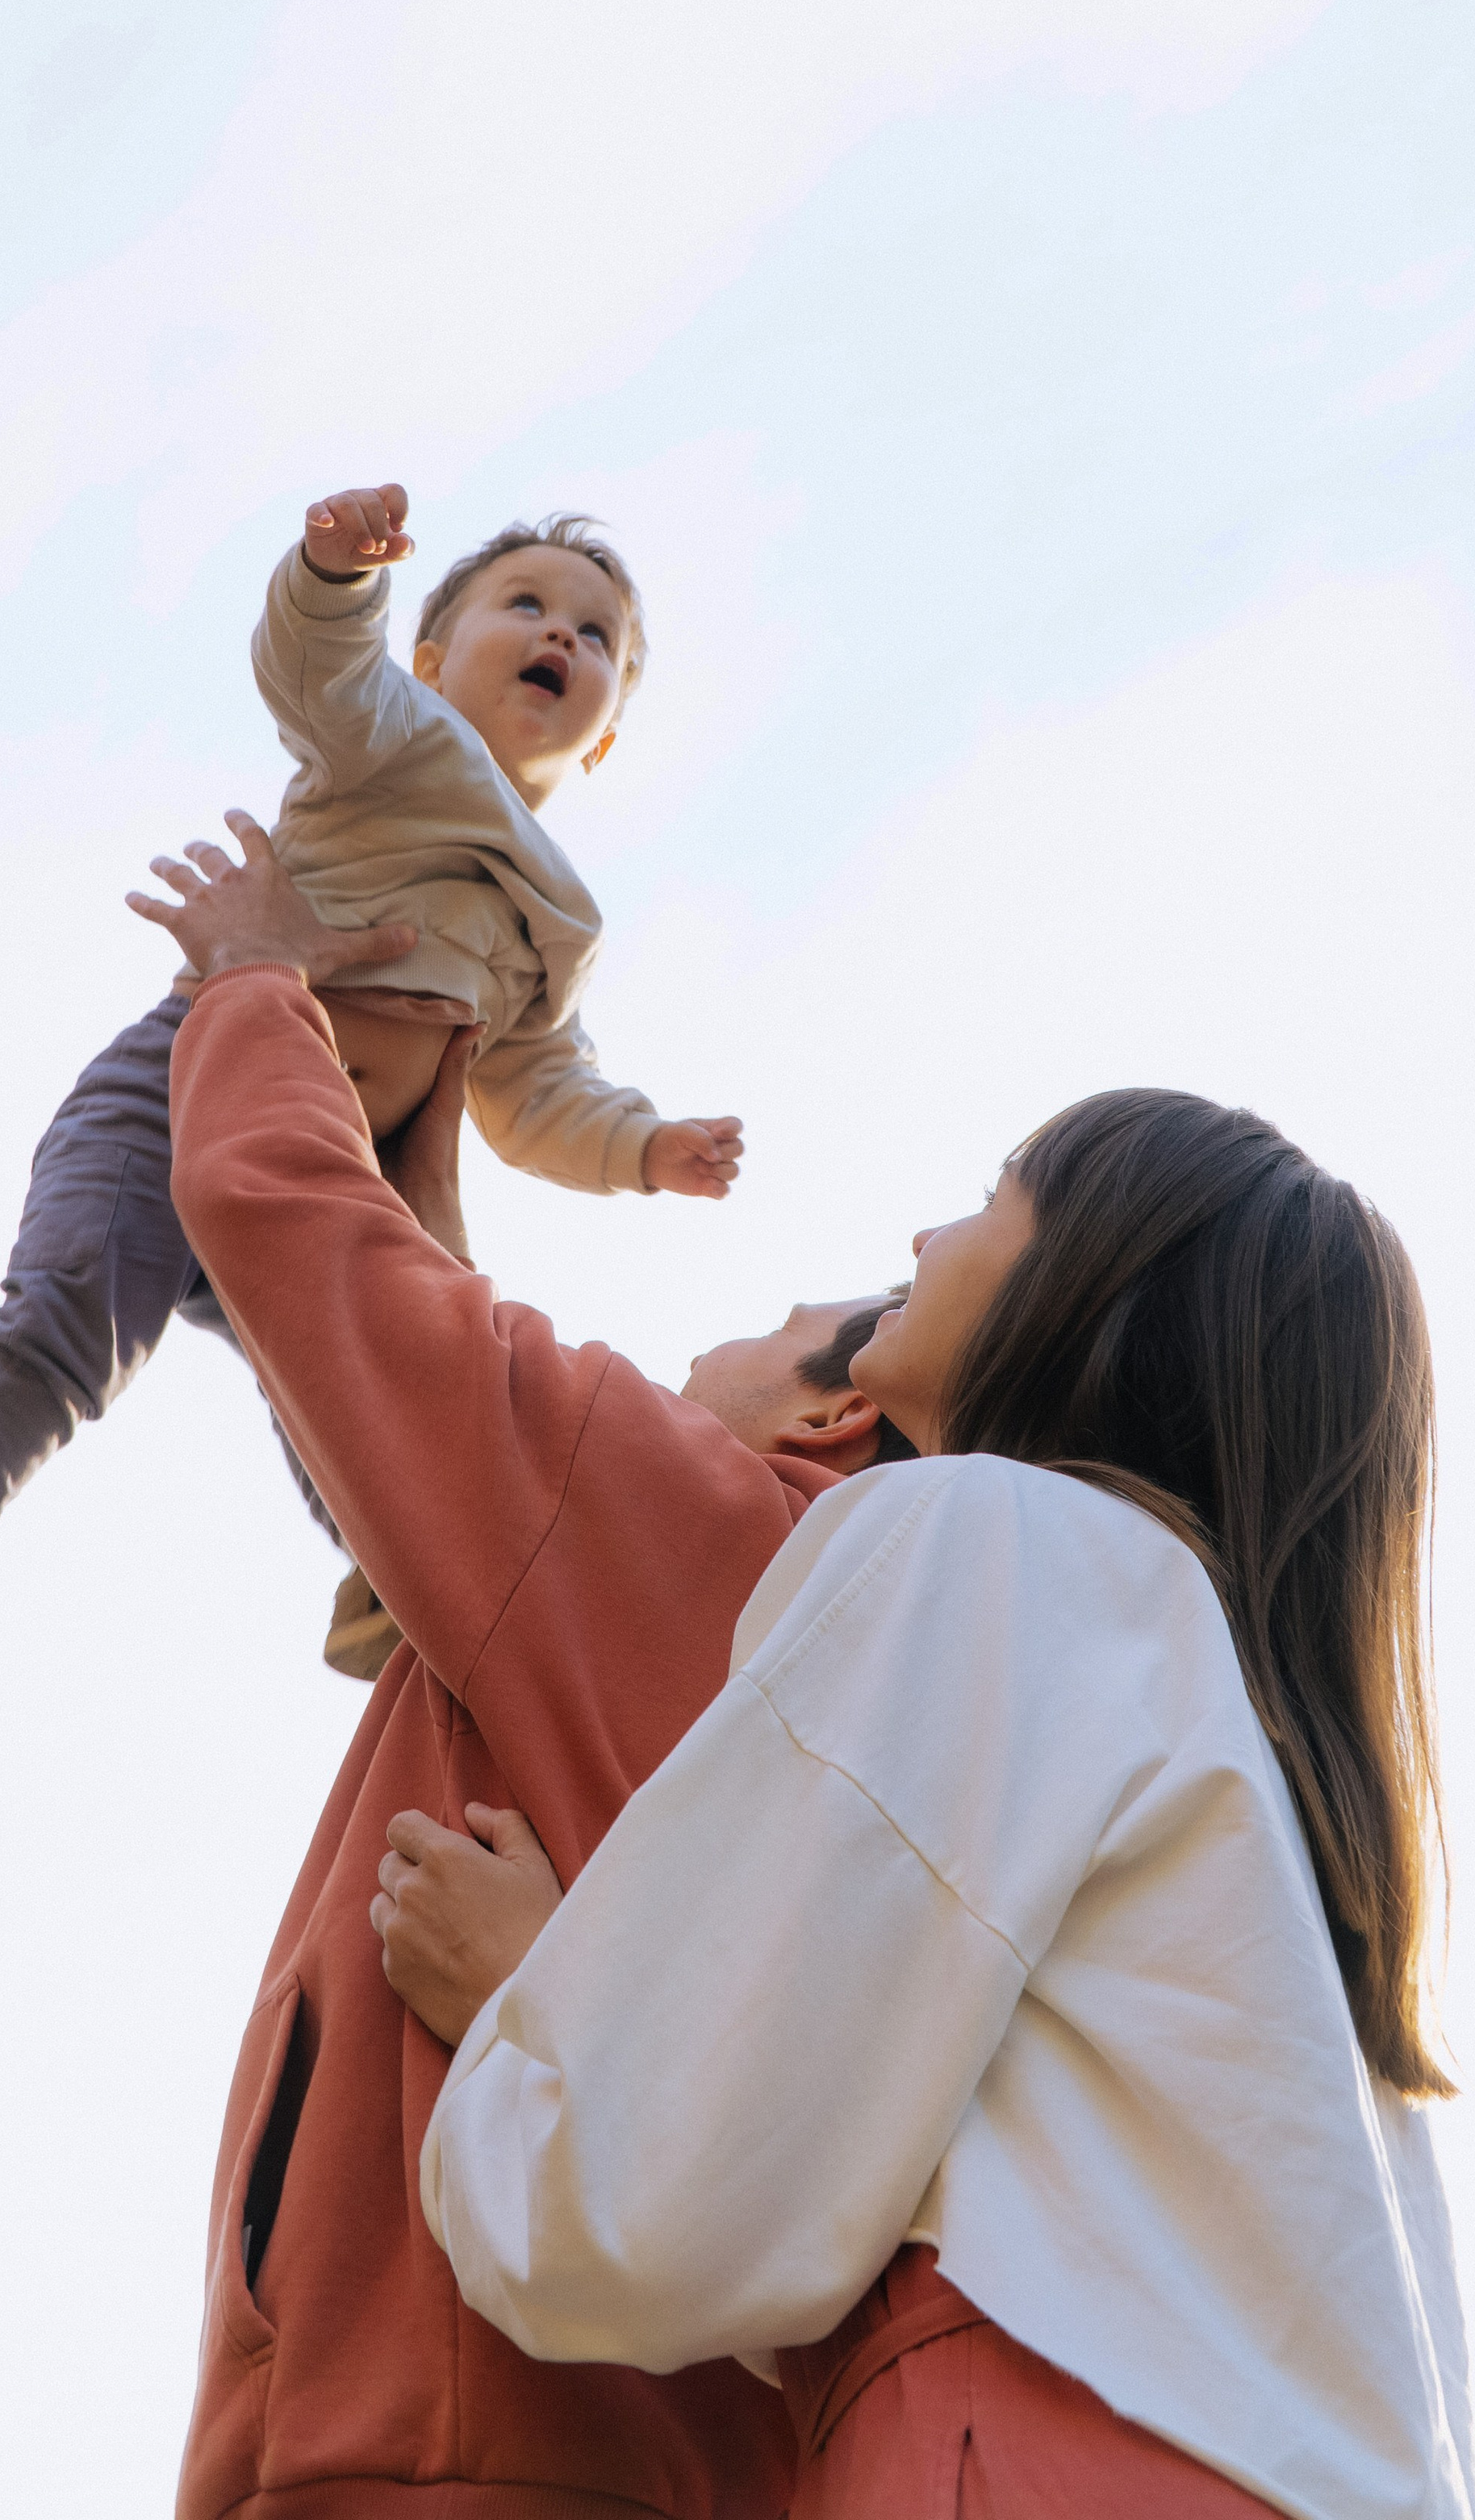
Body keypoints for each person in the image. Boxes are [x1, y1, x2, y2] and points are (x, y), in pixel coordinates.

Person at [400, 1091, 1475, 2518]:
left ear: (1097, 1283)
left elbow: (649, 2209)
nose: (925, 1233)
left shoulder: (991, 1539)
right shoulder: (1272, 1804)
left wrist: (534, 2012)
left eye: (993, 1192)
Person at [113, 821, 910, 2520]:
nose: (720, 1337)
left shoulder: (713, 1531)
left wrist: (253, 980)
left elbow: (297, 1232)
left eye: (775, 1321)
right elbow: (447, 1374)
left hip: (431, 2446)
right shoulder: (873, 1662)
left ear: (831, 1416)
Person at [0, 484, 745, 1810]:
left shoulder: (555, 920)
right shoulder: (397, 744)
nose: (564, 633)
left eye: (599, 632)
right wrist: (335, 580)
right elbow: (322, 676)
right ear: (434, 665)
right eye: (527, 604)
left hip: (331, 1175)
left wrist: (646, 1146)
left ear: (607, 739)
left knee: (395, 1386)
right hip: (185, 1095)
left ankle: (396, 1590)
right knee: (65, 1329)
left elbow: (538, 1084)